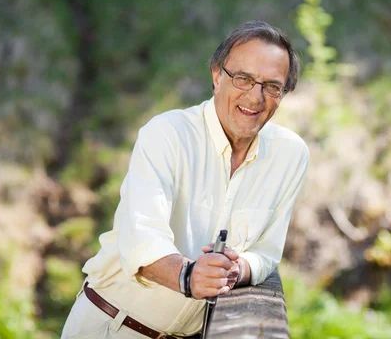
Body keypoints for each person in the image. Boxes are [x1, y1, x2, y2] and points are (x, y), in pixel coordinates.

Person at [61, 21, 310, 339]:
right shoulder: (167, 133)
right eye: (243, 78)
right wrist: (188, 275)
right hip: (112, 325)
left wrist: (238, 269)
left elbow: (266, 252)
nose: (256, 96)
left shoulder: (291, 155)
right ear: (217, 75)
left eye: (272, 86)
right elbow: (142, 238)